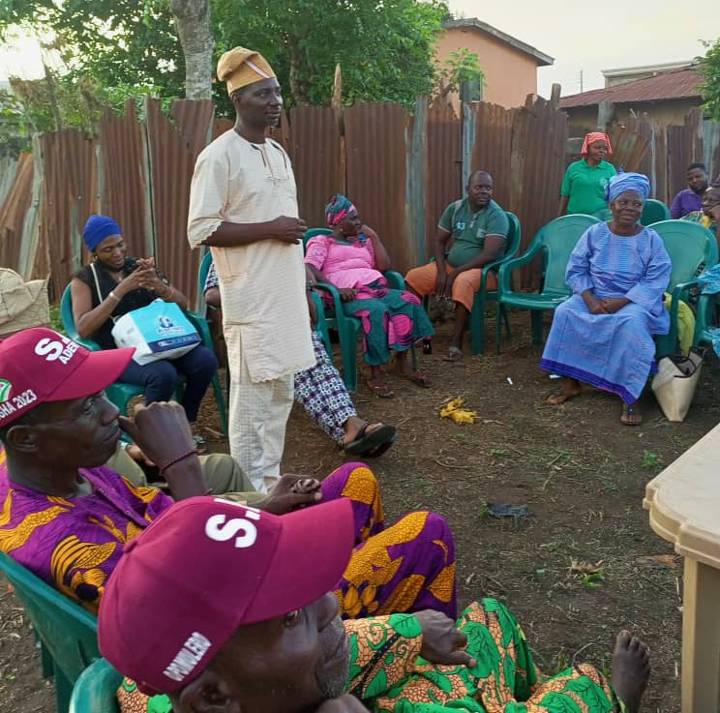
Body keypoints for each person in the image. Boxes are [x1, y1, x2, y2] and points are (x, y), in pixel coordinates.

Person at [0, 328, 457, 619]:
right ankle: (378, 640)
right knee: (426, 532)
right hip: (250, 631)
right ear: (25, 439)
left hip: (231, 570)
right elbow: (199, 615)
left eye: (102, 396)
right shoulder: (64, 544)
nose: (109, 413)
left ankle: (364, 614)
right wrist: (178, 466)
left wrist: (264, 507)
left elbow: (161, 520)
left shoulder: (64, 472)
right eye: (86, 407)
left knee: (355, 479)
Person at [99, 492, 652, 713]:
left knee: (483, 621)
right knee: (509, 642)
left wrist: (407, 631)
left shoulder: (157, 681)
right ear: (213, 697)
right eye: (292, 614)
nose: (332, 606)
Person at [187, 47, 314, 493]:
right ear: (238, 99)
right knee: (251, 402)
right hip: (251, 300)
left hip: (283, 296)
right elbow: (201, 228)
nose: (275, 101)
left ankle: (270, 487)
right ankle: (245, 499)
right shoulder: (218, 156)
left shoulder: (278, 152)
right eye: (263, 93)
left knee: (281, 393)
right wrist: (270, 229)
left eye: (277, 92)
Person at [204, 261, 397, 455]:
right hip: (257, 328)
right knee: (300, 375)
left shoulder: (279, 245)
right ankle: (349, 429)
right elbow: (212, 295)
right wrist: (265, 294)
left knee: (321, 368)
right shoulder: (231, 249)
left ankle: (351, 428)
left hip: (291, 319)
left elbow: (299, 272)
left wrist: (306, 296)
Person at [71, 214, 218, 450]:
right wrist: (120, 290)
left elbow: (183, 304)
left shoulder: (137, 268)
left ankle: (185, 425)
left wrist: (159, 286)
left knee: (205, 360)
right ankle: (154, 438)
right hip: (119, 352)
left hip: (159, 342)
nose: (118, 252)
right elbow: (83, 328)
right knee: (163, 374)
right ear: (95, 252)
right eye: (108, 249)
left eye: (120, 245)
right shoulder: (85, 278)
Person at [542, 173, 672, 426]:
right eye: (624, 202)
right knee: (566, 312)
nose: (630, 209)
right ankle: (571, 384)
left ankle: (629, 396)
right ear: (612, 204)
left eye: (637, 204)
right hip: (595, 295)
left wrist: (622, 301)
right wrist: (590, 300)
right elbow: (576, 269)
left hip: (634, 302)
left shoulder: (651, 239)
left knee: (631, 325)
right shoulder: (594, 233)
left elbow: (656, 279)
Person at [304, 194, 434, 397]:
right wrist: (336, 290)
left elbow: (384, 267)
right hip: (346, 296)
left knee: (410, 300)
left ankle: (401, 361)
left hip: (375, 289)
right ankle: (374, 372)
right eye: (353, 218)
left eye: (358, 218)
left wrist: (374, 237)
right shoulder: (321, 241)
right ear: (338, 222)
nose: (359, 222)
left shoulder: (363, 242)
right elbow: (311, 267)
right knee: (376, 311)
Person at [405, 171, 509, 361]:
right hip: (451, 266)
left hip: (485, 272)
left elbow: (489, 254)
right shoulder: (455, 209)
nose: (484, 192)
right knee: (413, 278)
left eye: (488, 188)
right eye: (479, 187)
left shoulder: (497, 215)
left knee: (463, 281)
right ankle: (421, 332)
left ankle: (456, 343)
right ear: (468, 189)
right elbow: (439, 243)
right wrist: (443, 272)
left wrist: (455, 274)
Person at [559, 131, 617, 216]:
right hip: (575, 217)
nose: (602, 151)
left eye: (605, 148)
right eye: (597, 147)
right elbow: (565, 194)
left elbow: (614, 196)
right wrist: (560, 217)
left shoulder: (609, 169)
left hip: (599, 218)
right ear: (588, 148)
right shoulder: (574, 168)